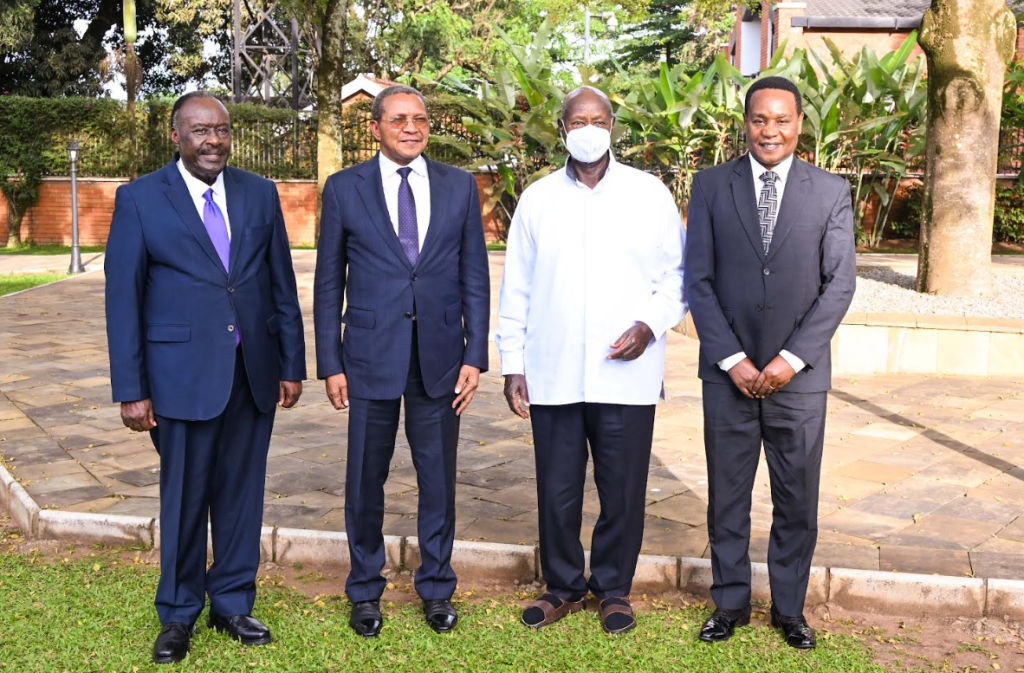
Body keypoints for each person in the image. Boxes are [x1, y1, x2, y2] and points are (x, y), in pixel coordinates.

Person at [105, 91, 306, 664]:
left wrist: (291, 363)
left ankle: (233, 603)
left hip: (252, 372)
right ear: (176, 136)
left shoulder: (259, 193)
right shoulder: (140, 199)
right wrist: (132, 389)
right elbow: (123, 301)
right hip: (180, 378)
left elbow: (281, 283)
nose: (213, 140)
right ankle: (178, 612)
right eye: (200, 130)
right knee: (186, 499)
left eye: (221, 129)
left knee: (242, 496)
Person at [496, 86, 686, 635]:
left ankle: (613, 589)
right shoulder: (537, 200)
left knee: (622, 490)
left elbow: (677, 277)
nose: (588, 129)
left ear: (612, 127)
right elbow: (517, 287)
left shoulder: (649, 195)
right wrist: (513, 363)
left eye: (598, 120)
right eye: (577, 121)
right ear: (561, 130)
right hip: (553, 371)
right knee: (557, 490)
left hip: (626, 372)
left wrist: (649, 326)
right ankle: (561, 586)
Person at [685, 76, 856, 650]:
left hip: (798, 382)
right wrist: (732, 358)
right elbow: (698, 280)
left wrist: (792, 359)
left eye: (782, 120)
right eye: (760, 119)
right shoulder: (711, 186)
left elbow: (840, 284)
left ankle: (789, 609)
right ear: (746, 124)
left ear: (799, 123)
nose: (770, 131)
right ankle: (729, 604)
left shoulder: (830, 191)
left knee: (797, 500)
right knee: (727, 498)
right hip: (727, 377)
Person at [313, 85, 490, 637]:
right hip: (368, 359)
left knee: (438, 482)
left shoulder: (459, 186)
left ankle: (436, 588)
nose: (411, 128)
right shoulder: (344, 188)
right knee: (365, 481)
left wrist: (476, 354)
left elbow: (475, 275)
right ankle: (365, 590)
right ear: (375, 128)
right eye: (398, 120)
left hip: (442, 360)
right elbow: (328, 282)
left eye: (419, 119)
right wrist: (330, 361)